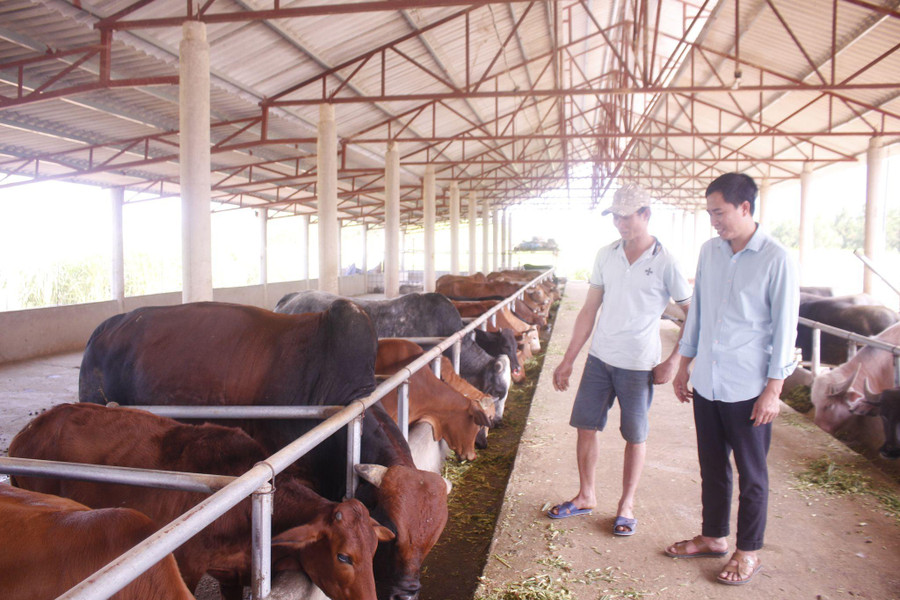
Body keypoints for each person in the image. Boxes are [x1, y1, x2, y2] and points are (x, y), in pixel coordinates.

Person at [666, 172, 798, 585]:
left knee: (752, 474)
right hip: (708, 379)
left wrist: (773, 391)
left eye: (719, 212)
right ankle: (713, 536)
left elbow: (783, 330)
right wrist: (685, 364)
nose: (714, 221)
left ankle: (748, 550)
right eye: (709, 213)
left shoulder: (777, 259)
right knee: (712, 465)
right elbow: (699, 312)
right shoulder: (710, 252)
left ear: (745, 207)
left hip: (748, 388)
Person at [547, 184, 692, 536]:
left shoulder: (666, 262)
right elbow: (588, 310)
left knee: (634, 435)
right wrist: (569, 359)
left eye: (626, 216)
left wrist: (675, 362)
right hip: (600, 358)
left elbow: (693, 314)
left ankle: (626, 505)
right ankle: (586, 495)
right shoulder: (605, 254)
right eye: (615, 216)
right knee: (585, 425)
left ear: (645, 215)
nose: (619, 223)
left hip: (639, 363)